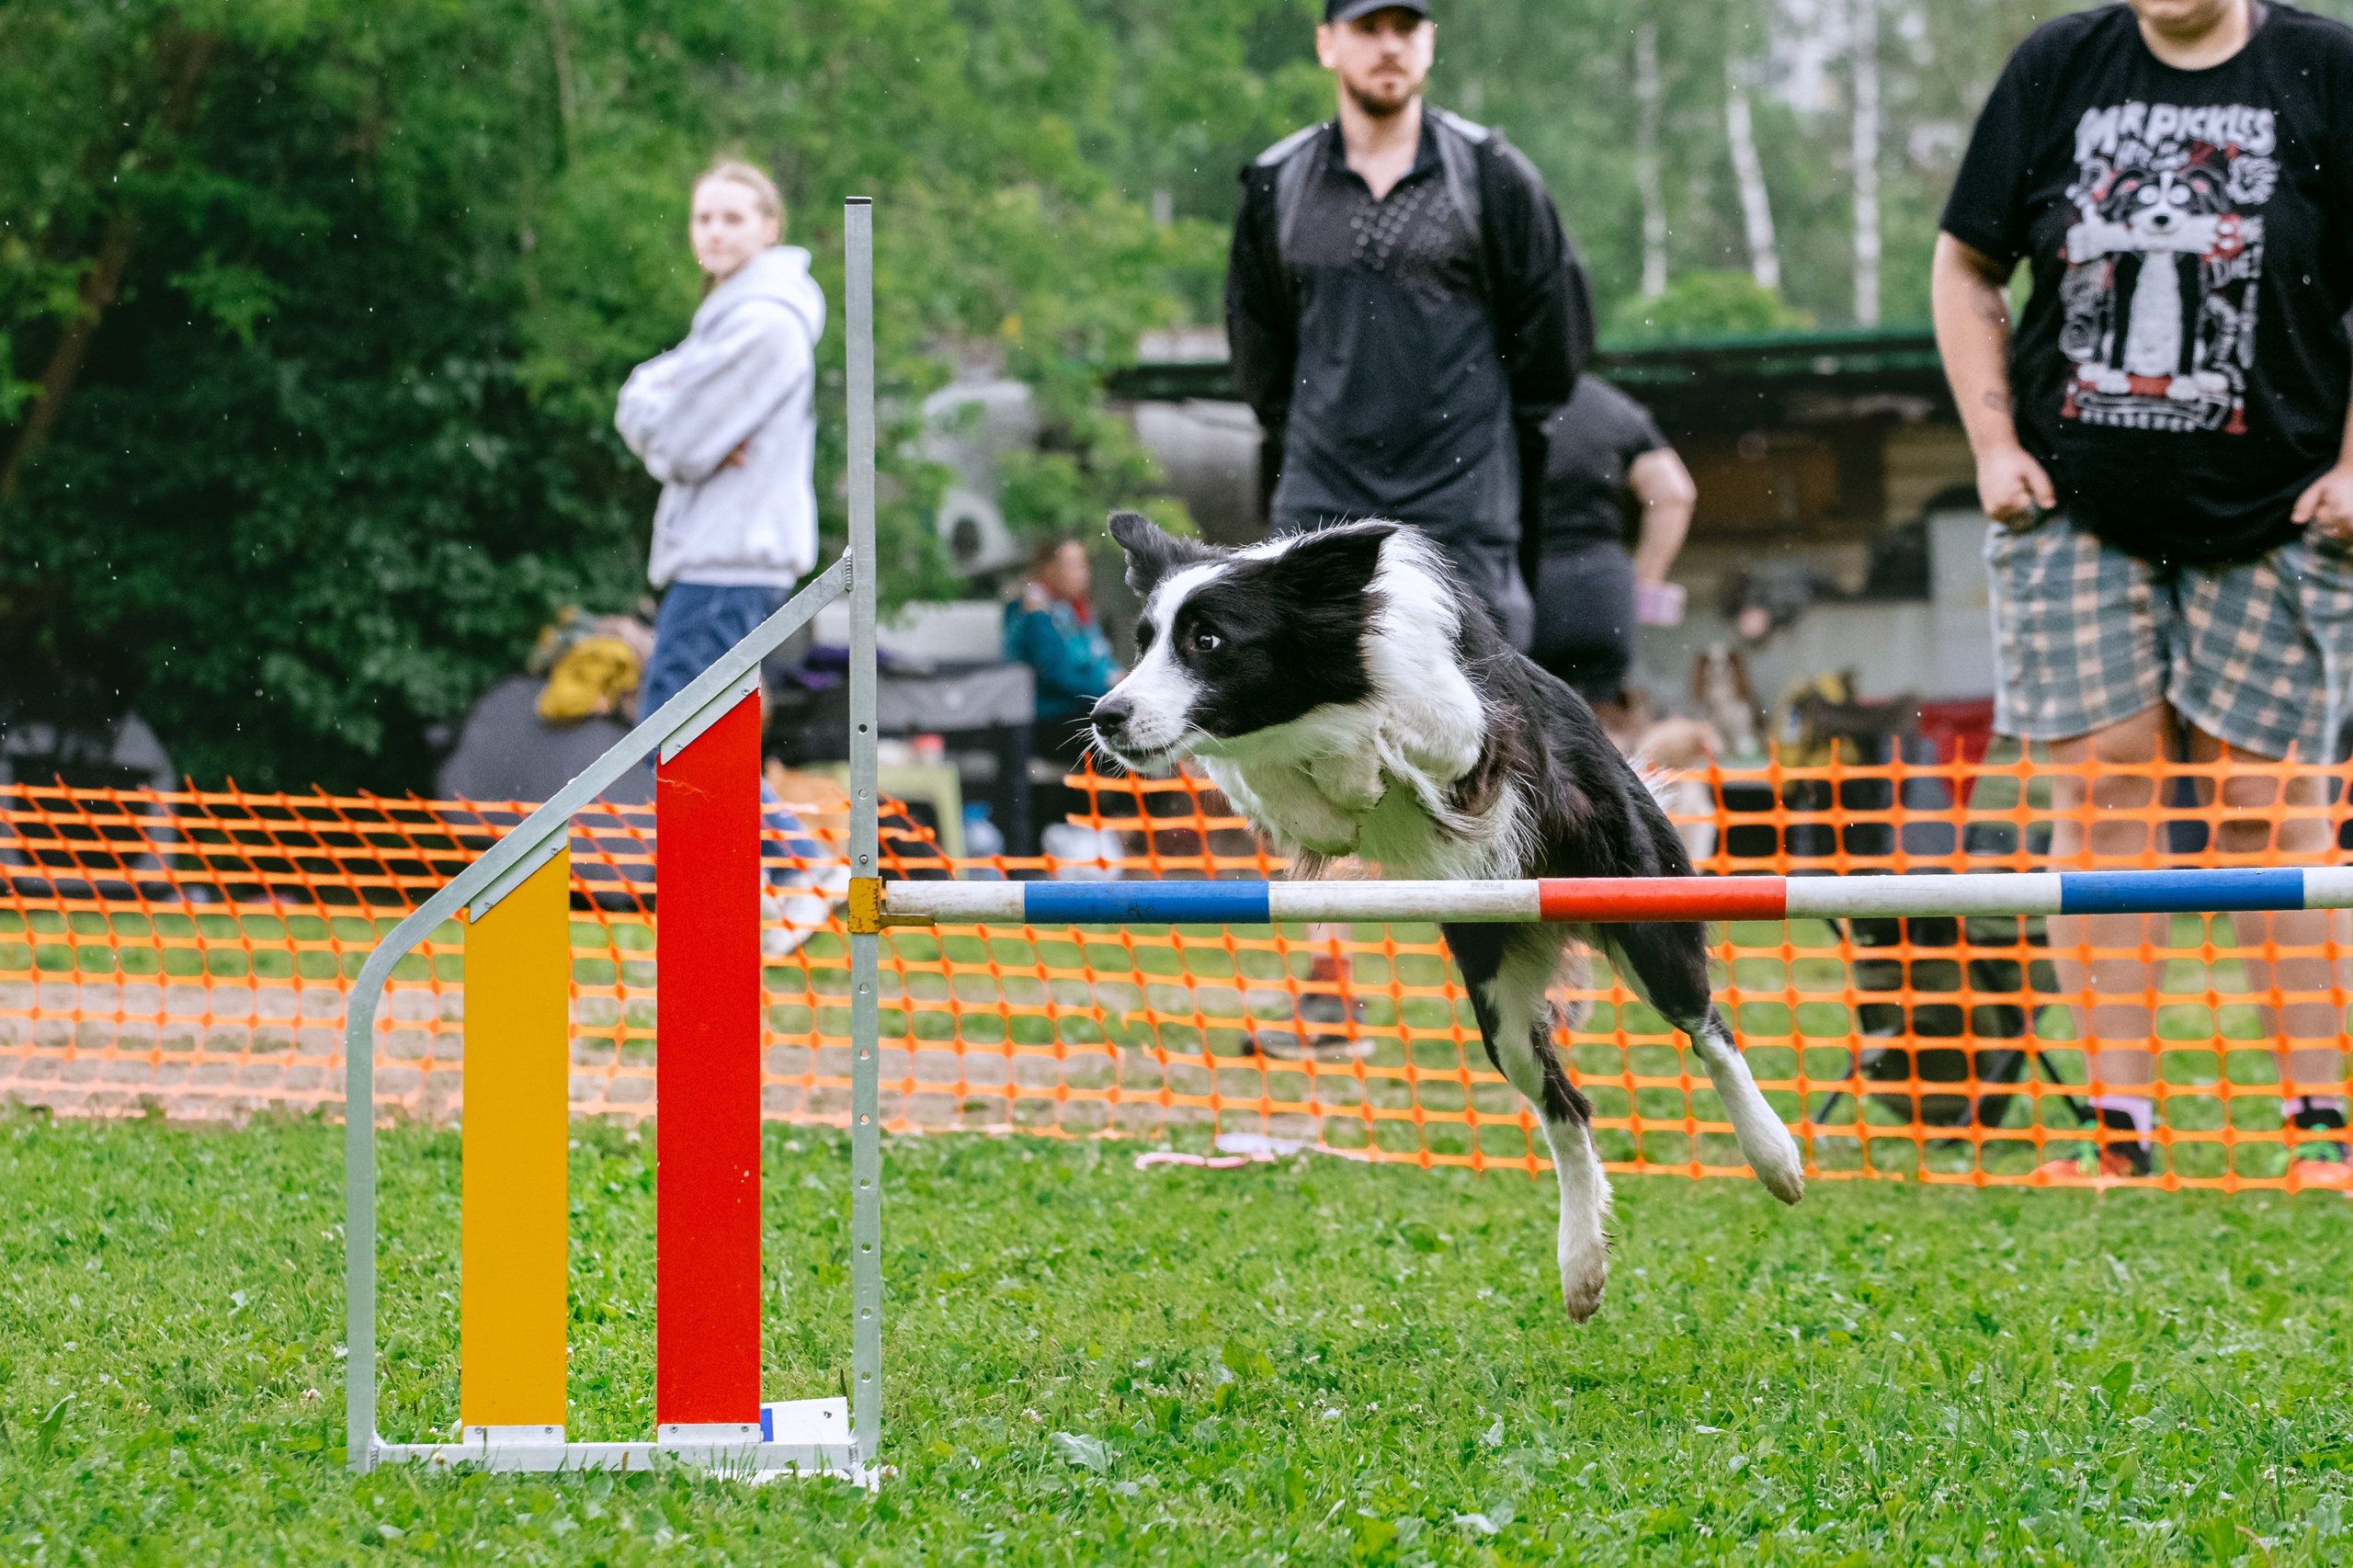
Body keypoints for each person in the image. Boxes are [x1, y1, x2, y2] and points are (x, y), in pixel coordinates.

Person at [1932, 0, 2353, 1181]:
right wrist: (1990, 445)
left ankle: (2320, 1122)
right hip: (2071, 506)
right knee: (2104, 793)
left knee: (2270, 815)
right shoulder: (2060, 65)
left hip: (2277, 511)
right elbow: (1967, 262)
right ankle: (2121, 1127)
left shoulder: (2324, 69)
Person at [1225, 0, 1593, 651]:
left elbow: (1552, 340)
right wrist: (1323, 427)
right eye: (1368, 29)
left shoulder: (1491, 174)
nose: (1389, 46)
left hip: (1464, 502)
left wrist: (1478, 435)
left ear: (1430, 41)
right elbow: (1260, 350)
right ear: (1327, 44)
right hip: (1322, 501)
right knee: (1307, 713)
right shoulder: (1277, 184)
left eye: (1406, 28)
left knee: (1483, 720)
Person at [617, 160, 825, 719]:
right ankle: (772, 815)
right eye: (702, 217)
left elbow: (681, 445)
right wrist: (679, 428)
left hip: (728, 566)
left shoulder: (766, 325)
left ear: (770, 227)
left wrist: (676, 430)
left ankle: (776, 817)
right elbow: (639, 400)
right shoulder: (728, 318)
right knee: (696, 747)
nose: (714, 231)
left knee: (681, 742)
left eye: (733, 218)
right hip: (719, 563)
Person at [1528, 377, 1697, 711]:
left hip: (1528, 589)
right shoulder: (1610, 405)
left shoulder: (1504, 400)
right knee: (1602, 729)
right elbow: (1674, 493)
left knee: (1524, 722)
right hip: (1603, 596)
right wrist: (1646, 581)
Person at [1004, 537, 1124, 851]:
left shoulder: (1078, 611)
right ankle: (1125, 830)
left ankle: (1124, 834)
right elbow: (1057, 674)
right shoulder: (1034, 613)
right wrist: (1108, 686)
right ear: (1048, 570)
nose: (1082, 574)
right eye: (1072, 565)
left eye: (1084, 565)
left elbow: (1099, 662)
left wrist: (1120, 682)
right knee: (1122, 732)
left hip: (1082, 708)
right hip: (1046, 719)